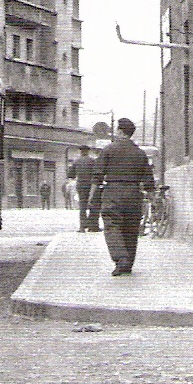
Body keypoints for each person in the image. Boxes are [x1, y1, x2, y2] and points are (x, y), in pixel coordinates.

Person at [95, 117, 155, 276]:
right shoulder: (140, 153)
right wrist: (152, 198)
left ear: (119, 131)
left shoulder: (108, 150)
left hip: (113, 192)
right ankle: (128, 264)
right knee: (131, 227)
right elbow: (149, 181)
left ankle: (121, 258)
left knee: (112, 225)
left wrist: (93, 197)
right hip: (134, 194)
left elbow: (98, 175)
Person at [68, 146, 100, 232]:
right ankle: (93, 226)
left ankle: (82, 227)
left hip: (81, 186)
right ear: (88, 151)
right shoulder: (93, 161)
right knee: (94, 205)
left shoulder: (76, 161)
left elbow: (71, 175)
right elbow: (97, 173)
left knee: (82, 207)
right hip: (92, 186)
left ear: (80, 152)